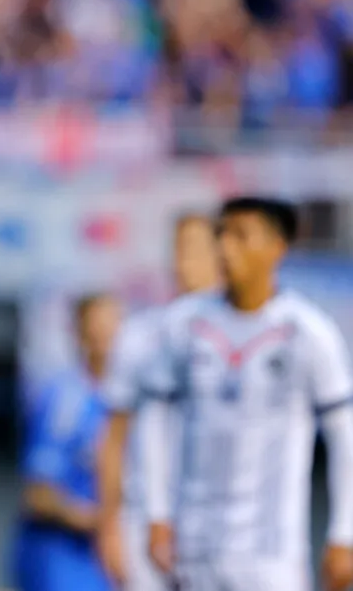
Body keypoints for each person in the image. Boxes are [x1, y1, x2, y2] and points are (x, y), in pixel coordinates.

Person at [143, 197, 353, 591]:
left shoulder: (307, 332)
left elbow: (344, 437)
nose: (225, 247)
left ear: (277, 248)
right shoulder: (185, 325)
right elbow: (154, 421)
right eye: (221, 234)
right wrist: (156, 513)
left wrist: (344, 534)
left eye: (241, 236)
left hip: (271, 553)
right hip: (195, 545)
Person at [96, 213, 220, 590]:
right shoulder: (140, 335)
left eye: (196, 249)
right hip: (145, 519)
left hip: (219, 522)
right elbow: (113, 438)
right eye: (179, 249)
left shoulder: (248, 339)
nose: (184, 261)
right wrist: (109, 526)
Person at [13, 294, 122, 591]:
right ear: (80, 334)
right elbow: (38, 495)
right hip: (62, 562)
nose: (106, 339)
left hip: (110, 563)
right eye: (97, 329)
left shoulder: (134, 398)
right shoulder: (62, 399)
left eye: (113, 328)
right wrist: (98, 521)